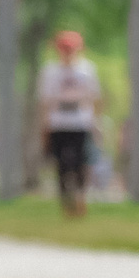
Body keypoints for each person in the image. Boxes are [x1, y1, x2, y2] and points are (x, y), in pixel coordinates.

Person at [35, 29, 100, 218]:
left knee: (81, 163)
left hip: (80, 123)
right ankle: (65, 201)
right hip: (58, 124)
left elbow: (94, 98)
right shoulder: (50, 71)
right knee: (62, 164)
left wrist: (96, 124)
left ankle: (80, 196)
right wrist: (44, 126)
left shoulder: (87, 70)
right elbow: (45, 101)